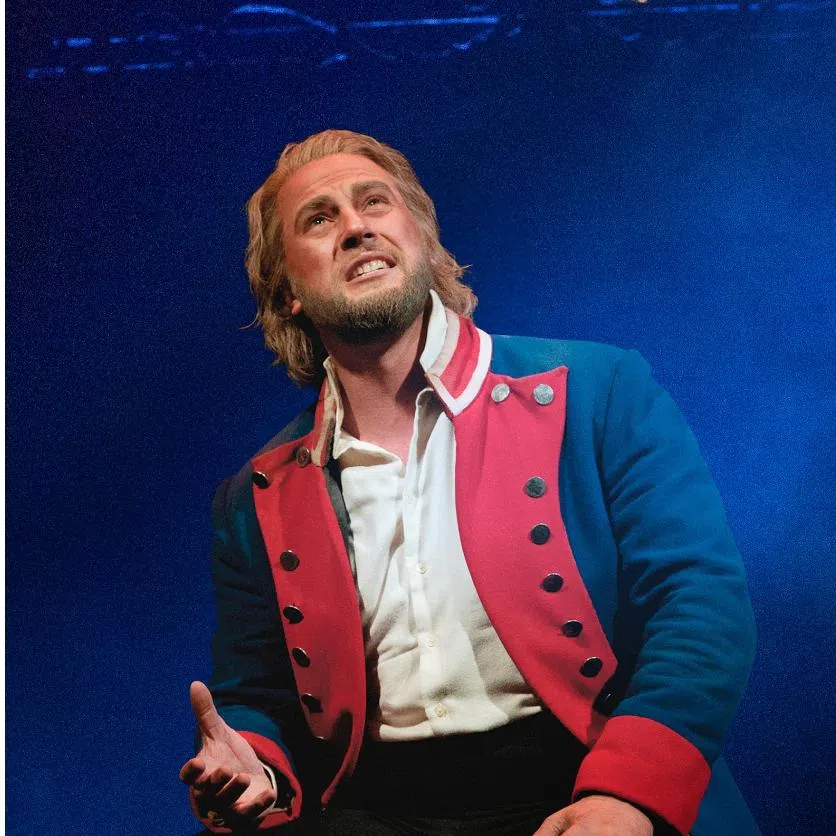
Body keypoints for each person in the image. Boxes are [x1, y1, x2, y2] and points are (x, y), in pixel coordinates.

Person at [179, 129, 761, 835]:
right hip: (377, 810)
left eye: (374, 202)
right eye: (320, 218)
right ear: (288, 292)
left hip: (586, 781)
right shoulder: (255, 495)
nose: (356, 227)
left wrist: (627, 796)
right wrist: (254, 766)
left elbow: (699, 605)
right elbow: (257, 694)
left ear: (423, 242)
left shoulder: (600, 391)